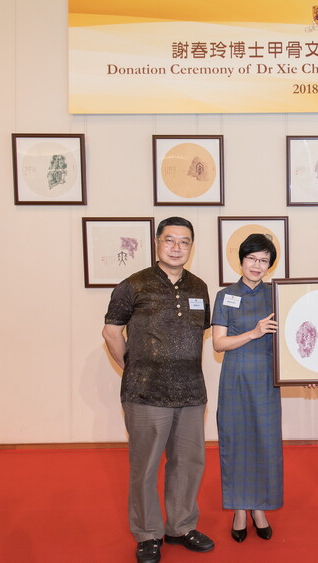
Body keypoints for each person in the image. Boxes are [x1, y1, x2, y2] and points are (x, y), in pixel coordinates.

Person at [102, 217, 215, 563]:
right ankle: (148, 533)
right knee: (146, 466)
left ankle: (181, 525)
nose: (177, 247)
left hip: (192, 393)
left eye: (184, 242)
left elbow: (203, 332)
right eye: (170, 240)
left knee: (188, 462)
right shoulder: (132, 285)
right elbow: (110, 333)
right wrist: (133, 368)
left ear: (191, 247)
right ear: (157, 243)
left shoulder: (199, 287)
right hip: (146, 394)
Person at [211, 233, 282, 543]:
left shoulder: (277, 294)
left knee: (265, 443)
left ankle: (260, 508)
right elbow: (218, 343)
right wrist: (253, 333)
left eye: (264, 260)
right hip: (237, 377)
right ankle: (240, 508)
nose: (257, 265)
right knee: (237, 442)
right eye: (252, 258)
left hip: (267, 378)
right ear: (240, 260)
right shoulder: (225, 295)